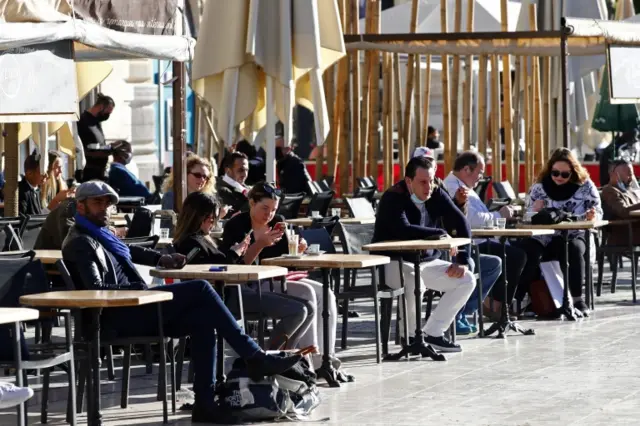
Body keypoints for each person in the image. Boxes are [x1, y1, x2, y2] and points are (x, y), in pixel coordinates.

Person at [61, 181, 301, 422]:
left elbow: (133, 251)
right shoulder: (81, 242)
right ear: (80, 207)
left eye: (107, 203)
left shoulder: (101, 235)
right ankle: (254, 356)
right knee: (200, 288)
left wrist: (164, 259)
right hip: (116, 317)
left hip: (134, 307)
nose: (104, 208)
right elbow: (97, 291)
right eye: (97, 202)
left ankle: (205, 403)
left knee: (203, 318)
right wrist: (137, 289)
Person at [222, 183, 347, 373]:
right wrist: (260, 244)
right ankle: (308, 360)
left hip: (279, 278)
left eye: (273, 209)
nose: (269, 214)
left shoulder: (278, 223)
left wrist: (299, 250)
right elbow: (236, 268)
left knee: (326, 293)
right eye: (265, 208)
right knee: (308, 293)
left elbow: (286, 262)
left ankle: (325, 357)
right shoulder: (237, 225)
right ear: (252, 202)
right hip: (250, 284)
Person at [173, 191, 313, 350]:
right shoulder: (191, 243)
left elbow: (221, 265)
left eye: (215, 218)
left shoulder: (205, 238)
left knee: (309, 308)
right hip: (223, 297)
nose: (213, 223)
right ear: (197, 217)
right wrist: (234, 253)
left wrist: (239, 252)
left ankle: (281, 356)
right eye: (210, 218)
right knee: (299, 311)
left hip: (238, 290)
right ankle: (267, 358)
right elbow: (210, 271)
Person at [373, 156, 480, 352]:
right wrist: (439, 234)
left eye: (431, 180)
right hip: (392, 263)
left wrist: (462, 260)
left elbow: (460, 222)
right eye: (423, 182)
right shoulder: (393, 197)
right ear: (408, 181)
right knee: (415, 284)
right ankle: (413, 338)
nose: (428, 186)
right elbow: (403, 229)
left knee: (467, 279)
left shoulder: (436, 192)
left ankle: (433, 333)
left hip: (425, 262)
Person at [413, 148, 501, 332]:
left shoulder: (437, 188)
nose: (428, 166)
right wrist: (442, 236)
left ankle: (459, 314)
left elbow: (456, 221)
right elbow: (407, 228)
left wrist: (460, 203)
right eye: (423, 162)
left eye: (430, 161)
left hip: (442, 251)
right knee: (474, 265)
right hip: (418, 258)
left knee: (490, 264)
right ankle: (448, 320)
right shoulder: (401, 194)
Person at [442, 151, 528, 320]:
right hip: (469, 245)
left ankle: (499, 304)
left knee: (526, 252)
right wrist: (499, 215)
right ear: (467, 169)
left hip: (478, 241)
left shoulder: (464, 186)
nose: (481, 177)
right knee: (515, 256)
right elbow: (472, 220)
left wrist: (496, 215)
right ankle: (493, 305)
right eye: (480, 172)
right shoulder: (454, 187)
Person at [518, 148, 603, 315]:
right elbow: (526, 218)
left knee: (573, 249)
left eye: (565, 175)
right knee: (529, 250)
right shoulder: (539, 188)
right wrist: (533, 210)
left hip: (575, 233)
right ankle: (527, 297)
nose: (559, 178)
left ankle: (578, 299)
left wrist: (592, 215)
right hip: (544, 237)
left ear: (573, 172)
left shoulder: (585, 186)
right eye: (555, 173)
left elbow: (598, 211)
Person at [600, 158, 640, 245]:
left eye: (632, 175)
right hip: (626, 233)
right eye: (628, 175)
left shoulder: (631, 190)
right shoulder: (609, 191)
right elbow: (623, 211)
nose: (631, 178)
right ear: (613, 174)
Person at [77, 94, 115, 182]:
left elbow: (97, 145)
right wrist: (100, 154)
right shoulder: (83, 121)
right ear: (101, 107)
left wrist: (109, 148)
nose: (107, 116)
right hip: (88, 175)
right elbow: (80, 149)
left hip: (99, 174)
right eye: (107, 112)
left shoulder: (96, 122)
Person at [18, 151, 45, 216]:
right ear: (29, 173)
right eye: (42, 172)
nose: (46, 175)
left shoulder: (38, 189)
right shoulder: (21, 191)